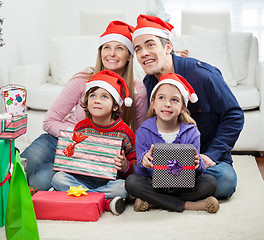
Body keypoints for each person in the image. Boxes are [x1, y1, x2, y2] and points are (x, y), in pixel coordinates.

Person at [21, 21, 147, 191]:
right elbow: (50, 120)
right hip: (63, 140)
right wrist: (81, 138)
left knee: (40, 181)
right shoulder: (84, 78)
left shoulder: (137, 90)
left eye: (119, 48)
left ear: (129, 55)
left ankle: (72, 186)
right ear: (100, 52)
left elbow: (139, 135)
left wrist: (109, 153)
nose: (111, 54)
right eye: (106, 47)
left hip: (98, 158)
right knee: (26, 163)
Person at [131, 14, 244, 199]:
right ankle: (182, 197)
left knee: (225, 181)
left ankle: (158, 197)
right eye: (138, 49)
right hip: (166, 163)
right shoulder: (149, 83)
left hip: (205, 160)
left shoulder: (203, 75)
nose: (143, 53)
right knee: (134, 180)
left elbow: (234, 115)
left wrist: (211, 155)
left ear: (168, 47)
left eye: (150, 45)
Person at [125, 72, 219, 213]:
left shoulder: (192, 132)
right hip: (153, 183)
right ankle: (188, 205)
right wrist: (143, 161)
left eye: (174, 100)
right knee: (131, 182)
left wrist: (198, 163)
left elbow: (197, 172)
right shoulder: (143, 131)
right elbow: (140, 171)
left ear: (182, 107)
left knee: (210, 183)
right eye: (161, 98)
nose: (167, 104)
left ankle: (154, 202)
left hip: (183, 186)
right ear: (153, 103)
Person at [52, 70, 136, 216]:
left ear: (115, 105)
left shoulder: (125, 132)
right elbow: (72, 157)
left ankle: (78, 197)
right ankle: (105, 202)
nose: (97, 100)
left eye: (104, 97)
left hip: (110, 182)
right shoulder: (81, 127)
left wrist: (125, 166)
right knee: (58, 178)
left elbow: (134, 163)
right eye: (92, 96)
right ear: (86, 102)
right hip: (82, 178)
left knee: (123, 187)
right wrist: (69, 155)